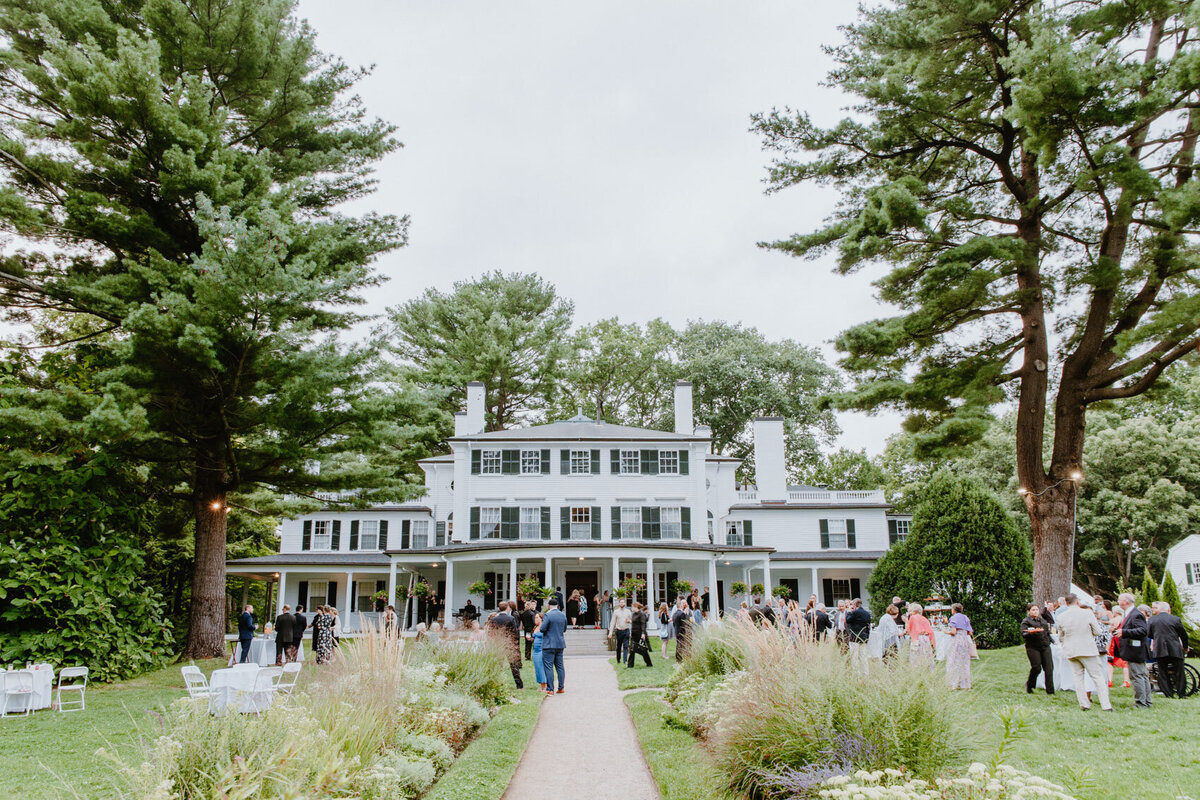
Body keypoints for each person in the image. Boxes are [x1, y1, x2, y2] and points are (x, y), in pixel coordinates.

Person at [1058, 593, 1112, 711]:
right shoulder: (1087, 613)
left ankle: (1084, 704)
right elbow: (1098, 631)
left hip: (1071, 650)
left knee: (1078, 677)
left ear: (1066, 603)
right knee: (1097, 677)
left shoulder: (1061, 616)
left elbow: (1061, 636)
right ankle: (1106, 705)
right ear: (1077, 602)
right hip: (1087, 649)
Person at [1117, 592, 1151, 708]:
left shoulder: (1136, 614)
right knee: (1142, 675)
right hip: (1134, 649)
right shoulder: (1129, 613)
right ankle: (1146, 701)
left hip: (1136, 650)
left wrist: (1124, 632)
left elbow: (1142, 630)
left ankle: (1141, 703)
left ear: (1126, 601)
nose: (1118, 602)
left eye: (1119, 599)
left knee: (1137, 676)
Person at [1149, 601, 1189, 698]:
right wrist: (1185, 646)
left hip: (1160, 648)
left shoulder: (1152, 620)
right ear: (1168, 610)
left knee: (1162, 672)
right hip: (1174, 648)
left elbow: (1149, 634)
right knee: (1179, 671)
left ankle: (1168, 693)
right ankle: (1181, 693)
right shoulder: (1175, 619)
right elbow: (1183, 635)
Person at [487, 600, 524, 689]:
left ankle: (498, 683)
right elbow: (515, 632)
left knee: (499, 664)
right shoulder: (510, 618)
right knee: (514, 665)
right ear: (507, 608)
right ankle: (519, 685)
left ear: (499, 609)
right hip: (509, 644)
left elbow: (490, 632)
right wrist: (514, 643)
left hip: (499, 643)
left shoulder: (494, 619)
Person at [1021, 603, 1054, 695]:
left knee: (1049, 668)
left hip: (1045, 646)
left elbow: (1047, 633)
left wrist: (1052, 641)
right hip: (1033, 647)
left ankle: (1050, 691)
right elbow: (1023, 634)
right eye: (1033, 610)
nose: (1035, 611)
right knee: (1036, 667)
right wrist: (1031, 632)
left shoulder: (1042, 621)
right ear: (1029, 611)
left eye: (1036, 610)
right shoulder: (1026, 621)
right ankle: (1030, 685)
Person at [539, 598, 568, 695]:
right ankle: (561, 687)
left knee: (548, 667)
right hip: (560, 643)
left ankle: (550, 689)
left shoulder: (548, 615)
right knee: (560, 666)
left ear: (549, 605)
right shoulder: (563, 615)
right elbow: (564, 629)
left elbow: (542, 629)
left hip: (548, 644)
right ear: (558, 606)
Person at [945, 603, 973, 689]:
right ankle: (965, 684)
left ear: (954, 610)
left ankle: (953, 684)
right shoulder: (965, 617)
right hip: (964, 641)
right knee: (964, 662)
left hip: (956, 641)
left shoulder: (953, 618)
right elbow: (970, 632)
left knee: (953, 661)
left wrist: (946, 632)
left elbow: (953, 632)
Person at [845, 598, 872, 675]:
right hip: (864, 637)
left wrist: (849, 612)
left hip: (854, 637)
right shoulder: (867, 613)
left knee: (855, 657)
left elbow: (847, 620)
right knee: (864, 657)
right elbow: (868, 626)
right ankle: (866, 673)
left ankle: (856, 673)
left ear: (855, 604)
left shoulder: (854, 613)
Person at [905, 603, 936, 668]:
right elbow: (930, 632)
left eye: (910, 611)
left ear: (914, 611)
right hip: (926, 639)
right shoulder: (924, 619)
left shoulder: (912, 617)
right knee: (926, 656)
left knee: (916, 658)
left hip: (917, 639)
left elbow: (908, 630)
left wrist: (906, 621)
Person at [627, 601, 653, 668]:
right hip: (633, 634)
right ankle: (630, 665)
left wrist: (643, 633)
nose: (632, 608)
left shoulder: (641, 614)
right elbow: (633, 622)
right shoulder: (633, 614)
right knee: (632, 649)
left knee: (643, 649)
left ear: (636, 607)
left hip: (639, 634)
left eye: (632, 607)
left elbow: (643, 624)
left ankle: (649, 663)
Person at [609, 597, 632, 662]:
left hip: (626, 630)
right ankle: (618, 659)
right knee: (618, 646)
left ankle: (625, 660)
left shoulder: (628, 611)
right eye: (621, 602)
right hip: (618, 631)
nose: (622, 603)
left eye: (623, 602)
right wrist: (610, 632)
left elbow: (632, 620)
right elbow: (613, 622)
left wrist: (629, 621)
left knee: (626, 646)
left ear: (625, 603)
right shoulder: (616, 612)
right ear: (619, 603)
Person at [532, 612, 547, 691]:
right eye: (535, 618)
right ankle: (541, 684)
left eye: (537, 617)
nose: (536, 619)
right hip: (535, 650)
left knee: (541, 667)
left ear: (541, 619)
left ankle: (545, 685)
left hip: (541, 649)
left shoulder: (544, 627)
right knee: (537, 667)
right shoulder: (536, 627)